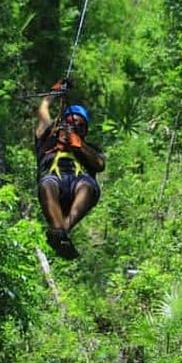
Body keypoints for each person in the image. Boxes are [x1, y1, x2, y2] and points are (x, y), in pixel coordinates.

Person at [35, 80, 105, 259]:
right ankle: (60, 233)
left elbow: (99, 165)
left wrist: (78, 146)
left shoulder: (89, 148)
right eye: (71, 122)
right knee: (46, 185)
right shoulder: (48, 135)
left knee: (87, 186)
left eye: (80, 125)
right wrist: (55, 92)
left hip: (79, 186)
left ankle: (61, 231)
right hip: (54, 183)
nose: (75, 126)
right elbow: (43, 108)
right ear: (62, 122)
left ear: (85, 131)